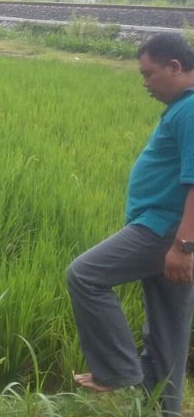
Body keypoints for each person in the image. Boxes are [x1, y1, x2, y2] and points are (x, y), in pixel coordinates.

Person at [67, 33, 194, 415]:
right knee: (168, 333)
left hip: (163, 231)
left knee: (85, 275)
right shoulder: (183, 107)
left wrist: (183, 246)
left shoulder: (190, 109)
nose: (145, 84)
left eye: (148, 74)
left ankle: (119, 369)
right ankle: (165, 411)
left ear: (175, 66)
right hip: (171, 234)